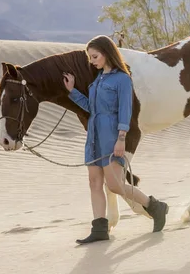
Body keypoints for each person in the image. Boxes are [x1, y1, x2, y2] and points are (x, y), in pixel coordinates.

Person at [63, 35, 169, 244]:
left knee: (115, 185)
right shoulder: (98, 80)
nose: (92, 61)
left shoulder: (122, 79)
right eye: (90, 58)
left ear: (106, 53)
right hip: (93, 137)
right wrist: (72, 92)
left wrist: (121, 139)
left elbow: (125, 112)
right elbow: (91, 109)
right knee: (94, 182)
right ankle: (100, 229)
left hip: (112, 136)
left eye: (95, 56)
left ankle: (155, 206)